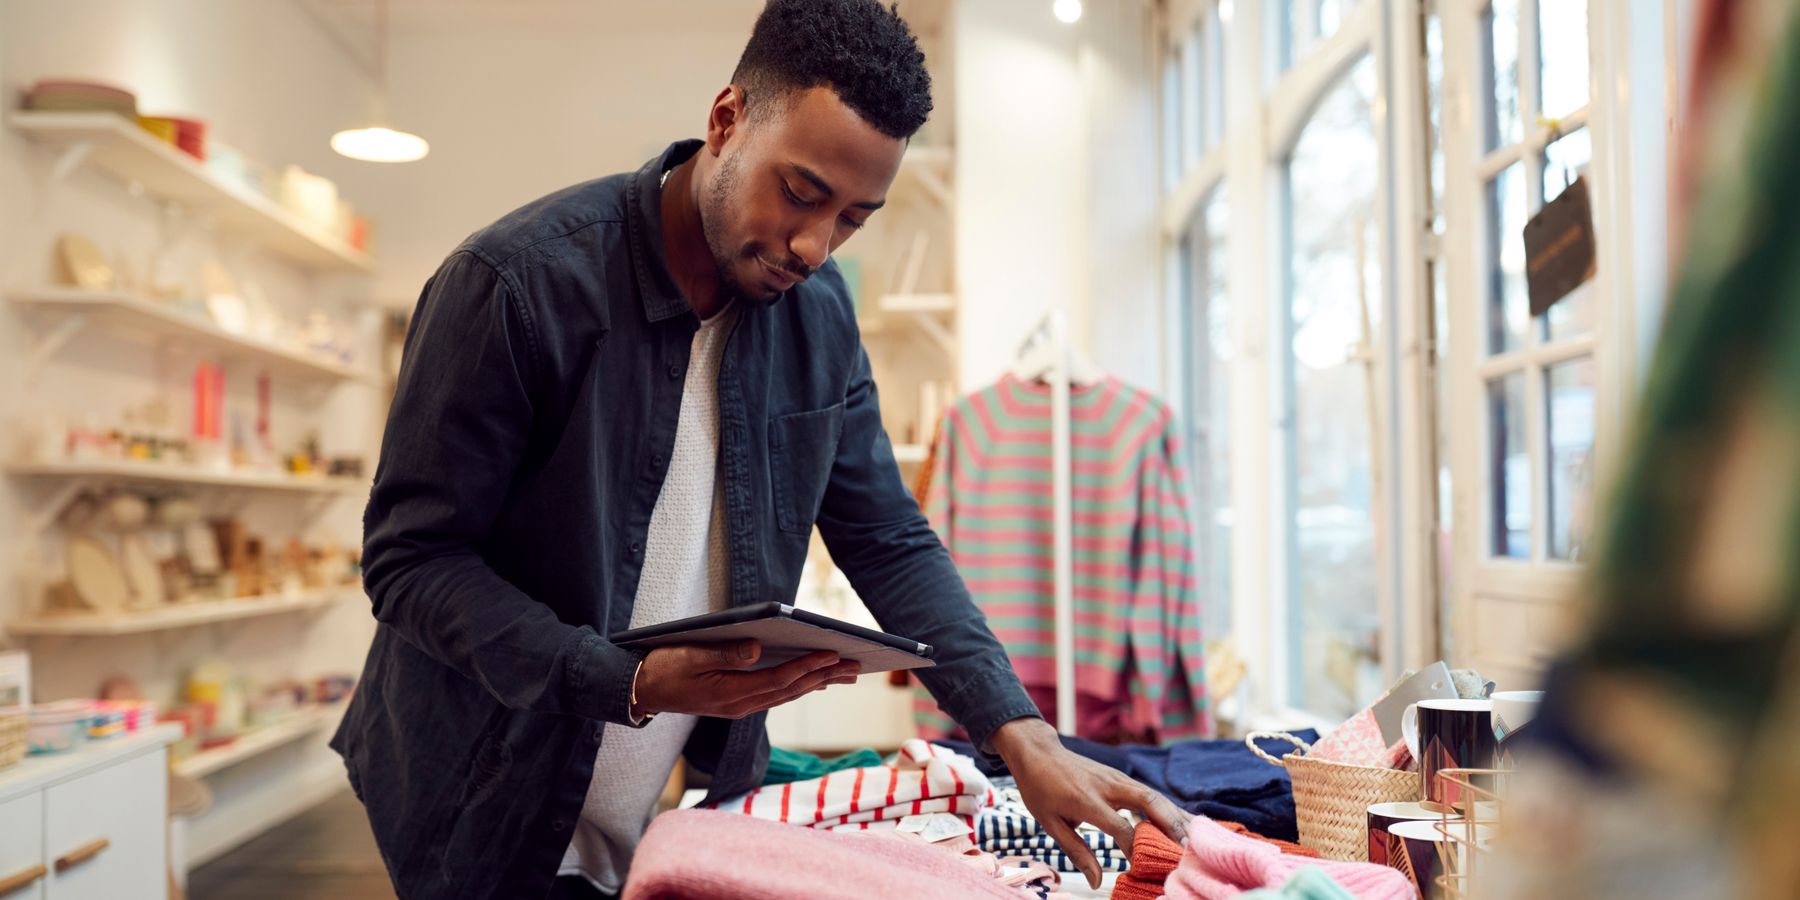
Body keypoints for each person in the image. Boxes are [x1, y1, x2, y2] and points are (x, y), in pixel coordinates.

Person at [332, 1, 1191, 897]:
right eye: (803, 193)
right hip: (488, 793)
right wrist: (626, 682)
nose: (816, 247)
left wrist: (1020, 733)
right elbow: (412, 561)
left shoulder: (819, 319)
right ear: (725, 120)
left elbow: (887, 536)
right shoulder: (515, 285)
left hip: (686, 798)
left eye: (856, 218)